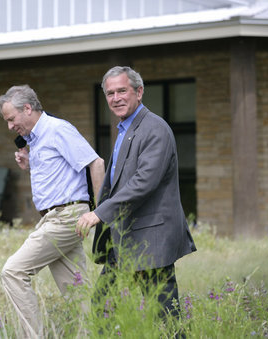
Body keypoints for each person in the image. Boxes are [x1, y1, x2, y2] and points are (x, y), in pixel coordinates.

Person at [76, 66, 196, 319]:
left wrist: (100, 213)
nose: (116, 98)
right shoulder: (125, 129)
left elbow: (144, 182)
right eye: (110, 93)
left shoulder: (155, 129)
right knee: (104, 305)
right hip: (127, 237)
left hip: (152, 238)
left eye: (122, 91)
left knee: (164, 314)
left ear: (139, 92)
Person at [0, 84, 105, 338]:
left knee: (13, 272)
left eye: (12, 119)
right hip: (55, 218)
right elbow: (59, 176)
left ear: (27, 108)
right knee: (78, 294)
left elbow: (96, 163)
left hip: (66, 219)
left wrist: (101, 212)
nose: (10, 127)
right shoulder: (36, 139)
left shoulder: (58, 130)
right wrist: (30, 164)